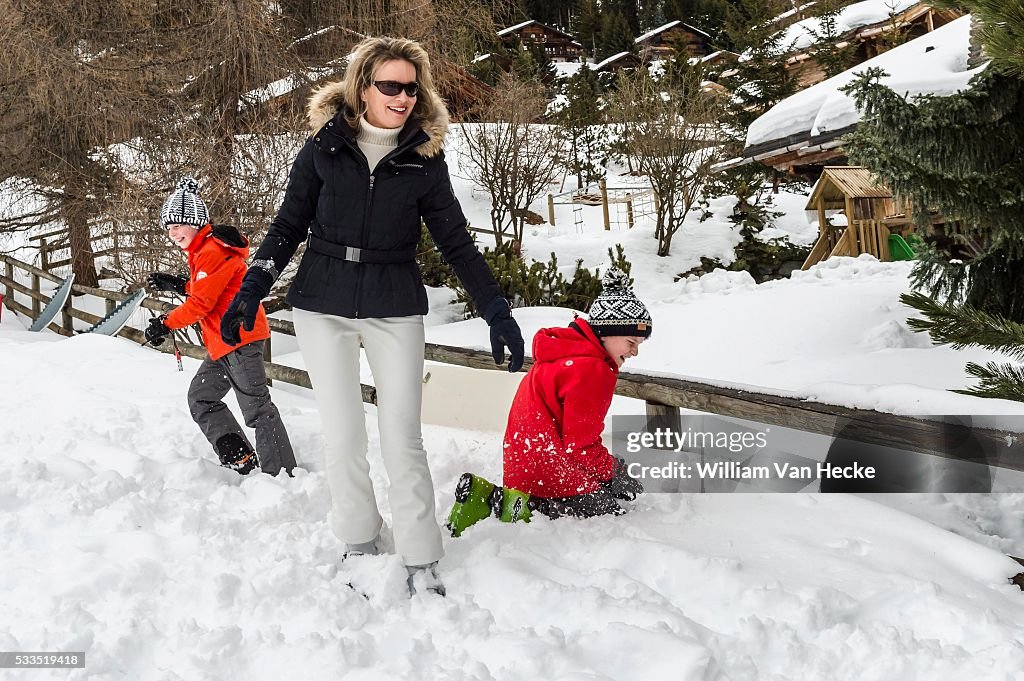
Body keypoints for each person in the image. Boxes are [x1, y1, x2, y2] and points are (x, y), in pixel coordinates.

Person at [219, 37, 525, 597]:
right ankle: (358, 539)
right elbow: (288, 227)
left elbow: (456, 241)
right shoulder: (323, 148)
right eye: (390, 85)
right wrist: (250, 290)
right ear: (362, 88)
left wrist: (496, 309)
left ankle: (420, 553)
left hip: (393, 305)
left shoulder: (424, 160)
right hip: (322, 302)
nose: (403, 97)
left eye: (411, 87)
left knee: (402, 435)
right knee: (343, 434)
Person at [446, 269, 648, 537]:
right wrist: (612, 474)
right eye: (631, 342)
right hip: (551, 469)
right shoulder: (593, 370)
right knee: (610, 515)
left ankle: (500, 499)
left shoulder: (565, 352)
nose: (635, 351)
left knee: (602, 485)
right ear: (608, 332)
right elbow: (581, 446)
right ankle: (523, 507)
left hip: (523, 462)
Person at [145, 177, 297, 477]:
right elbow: (212, 291)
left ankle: (283, 475)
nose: (172, 233)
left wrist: (166, 323)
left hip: (239, 338)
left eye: (178, 225)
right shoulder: (203, 251)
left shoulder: (212, 250)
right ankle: (239, 456)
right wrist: (180, 284)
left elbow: (201, 304)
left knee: (257, 408)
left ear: (195, 222)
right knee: (201, 398)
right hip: (222, 343)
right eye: (168, 228)